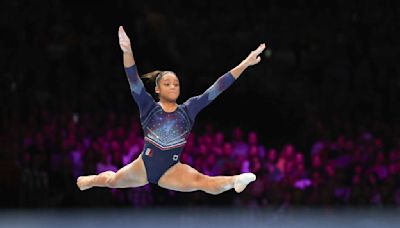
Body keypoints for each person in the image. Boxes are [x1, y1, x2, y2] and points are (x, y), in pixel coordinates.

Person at [77, 26, 266, 195]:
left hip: (171, 169)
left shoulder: (188, 110)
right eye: (167, 83)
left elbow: (217, 87)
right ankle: (90, 180)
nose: (173, 86)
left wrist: (245, 63)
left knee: (202, 182)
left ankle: (235, 181)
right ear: (157, 89)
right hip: (143, 166)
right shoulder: (148, 107)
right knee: (113, 181)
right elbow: (133, 79)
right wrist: (127, 51)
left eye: (176, 83)